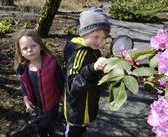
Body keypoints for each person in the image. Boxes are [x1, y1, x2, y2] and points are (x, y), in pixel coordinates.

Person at [63, 7, 111, 137]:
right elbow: (72, 85)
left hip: (87, 104)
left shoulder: (92, 49)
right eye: (96, 36)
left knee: (80, 131)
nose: (100, 42)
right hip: (77, 109)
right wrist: (92, 68)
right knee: (73, 132)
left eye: (103, 37)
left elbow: (95, 72)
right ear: (84, 33)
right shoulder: (79, 53)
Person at [14, 29, 64, 137]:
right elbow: (24, 85)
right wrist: (26, 99)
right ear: (21, 52)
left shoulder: (52, 65)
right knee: (41, 129)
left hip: (52, 104)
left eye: (33, 46)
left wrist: (67, 101)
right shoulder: (24, 68)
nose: (29, 50)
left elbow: (62, 84)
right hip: (37, 107)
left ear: (40, 46)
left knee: (49, 125)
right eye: (25, 48)